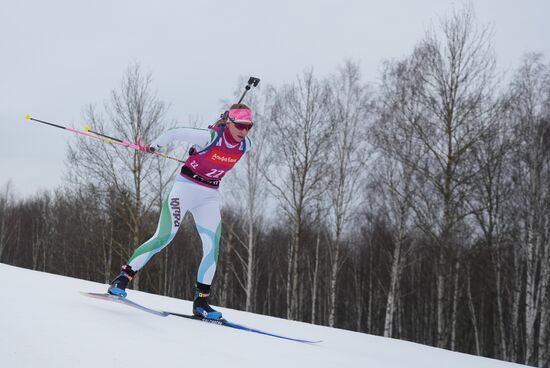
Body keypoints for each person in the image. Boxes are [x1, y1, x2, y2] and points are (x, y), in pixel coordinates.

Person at [107, 103, 253, 320]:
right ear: (229, 122)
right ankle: (122, 278)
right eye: (240, 125)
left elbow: (213, 156)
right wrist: (154, 146)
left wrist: (198, 153)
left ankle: (201, 303)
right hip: (185, 188)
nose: (244, 131)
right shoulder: (210, 136)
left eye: (248, 126)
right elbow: (175, 132)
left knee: (212, 248)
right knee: (164, 236)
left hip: (209, 196)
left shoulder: (245, 145)